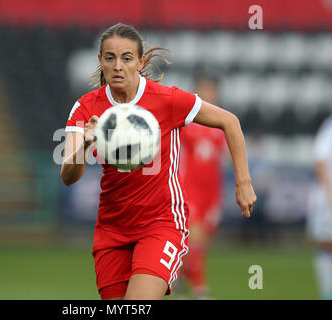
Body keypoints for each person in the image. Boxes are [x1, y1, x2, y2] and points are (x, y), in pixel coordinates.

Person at [60, 23, 256, 300]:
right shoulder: (85, 107)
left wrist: (244, 182)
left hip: (161, 224)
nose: (118, 66)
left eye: (126, 58)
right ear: (101, 61)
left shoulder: (167, 100)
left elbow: (229, 121)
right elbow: (68, 176)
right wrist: (86, 143)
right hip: (112, 230)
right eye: (110, 57)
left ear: (140, 62)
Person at [177, 73, 227, 299]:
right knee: (195, 237)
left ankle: (177, 275)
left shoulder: (222, 123)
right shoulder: (187, 121)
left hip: (213, 191)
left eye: (211, 90)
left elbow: (221, 160)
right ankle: (199, 288)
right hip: (190, 188)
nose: (208, 94)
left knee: (202, 241)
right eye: (203, 90)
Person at [307, 114, 332, 300]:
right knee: (327, 243)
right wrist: (328, 190)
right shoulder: (329, 126)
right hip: (328, 195)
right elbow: (320, 158)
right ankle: (327, 292)